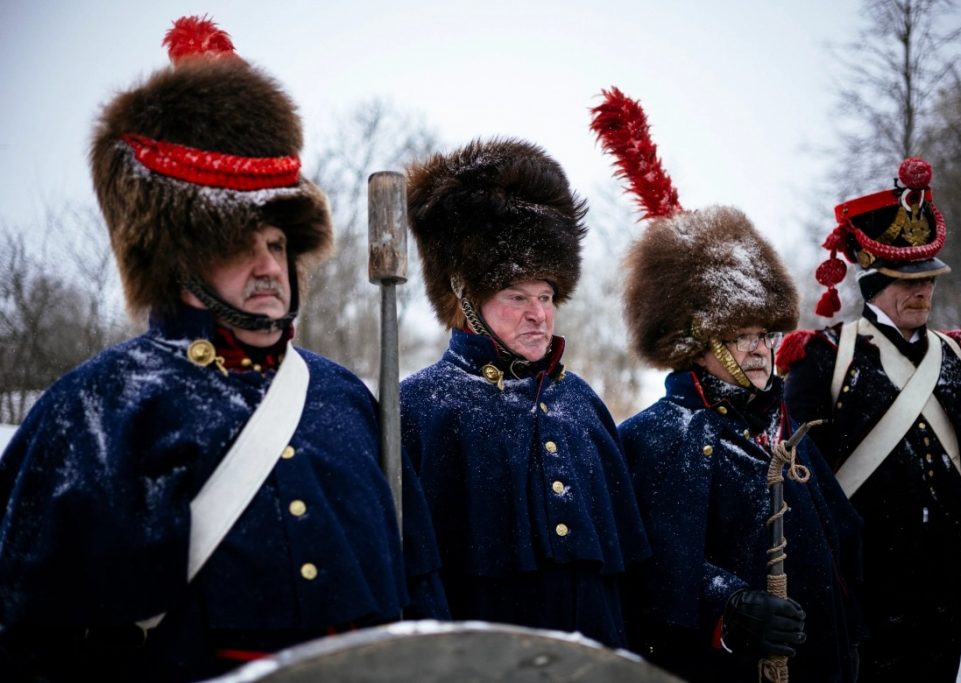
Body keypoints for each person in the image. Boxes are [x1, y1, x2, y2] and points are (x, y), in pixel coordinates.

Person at [0, 16, 446, 682]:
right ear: (180, 260)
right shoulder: (92, 412)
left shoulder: (344, 396)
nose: (267, 266)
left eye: (274, 244)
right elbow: (27, 638)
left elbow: (419, 589)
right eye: (236, 246)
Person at [592, 87, 863, 682]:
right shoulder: (659, 437)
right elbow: (653, 573)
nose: (761, 349)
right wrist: (729, 607)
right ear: (698, 346)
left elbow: (843, 546)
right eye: (741, 336)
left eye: (765, 333)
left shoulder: (786, 428)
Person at [399, 137, 651, 649]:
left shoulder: (583, 403)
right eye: (517, 296)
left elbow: (629, 578)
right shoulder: (418, 409)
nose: (539, 313)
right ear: (465, 298)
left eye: (546, 295)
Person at [779, 157, 961, 682]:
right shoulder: (824, 357)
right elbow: (802, 479)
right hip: (864, 580)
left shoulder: (953, 356)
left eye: (929, 281)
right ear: (872, 286)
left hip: (942, 581)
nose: (923, 291)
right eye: (906, 280)